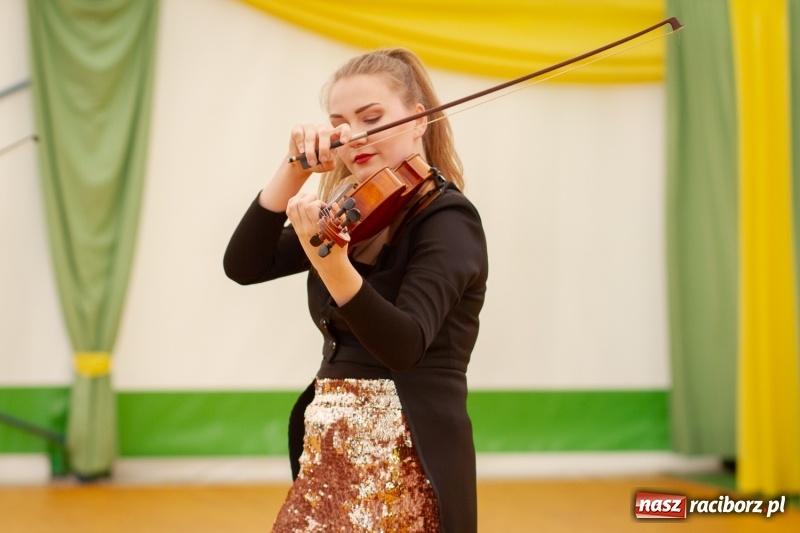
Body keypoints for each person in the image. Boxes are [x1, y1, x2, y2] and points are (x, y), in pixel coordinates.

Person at [223, 47, 488, 533]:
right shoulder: (354, 209)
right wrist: (293, 169)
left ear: (418, 119)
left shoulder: (448, 219)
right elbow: (244, 265)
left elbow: (403, 345)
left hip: (404, 449)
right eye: (341, 124)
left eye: (373, 117)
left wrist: (330, 259)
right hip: (334, 446)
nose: (356, 136)